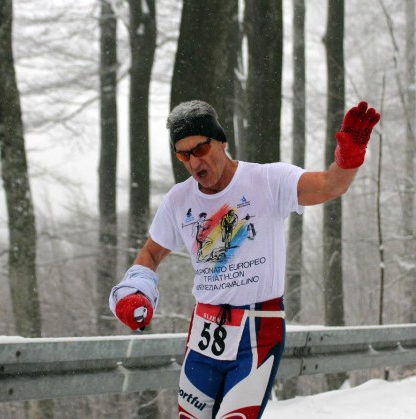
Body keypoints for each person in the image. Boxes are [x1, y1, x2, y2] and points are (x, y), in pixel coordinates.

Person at [109, 100, 380, 418]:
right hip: (204, 333)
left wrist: (349, 155)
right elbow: (151, 253)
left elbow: (330, 185)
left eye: (200, 149)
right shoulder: (179, 200)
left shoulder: (268, 180)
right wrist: (136, 289)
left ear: (221, 142)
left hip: (258, 331)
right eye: (184, 155)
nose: (194, 162)